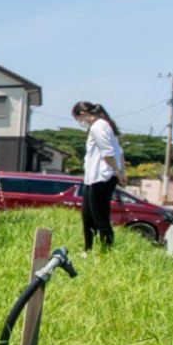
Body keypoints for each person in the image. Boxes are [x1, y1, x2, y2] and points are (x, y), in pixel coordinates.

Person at [72, 101, 127, 251]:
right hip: (93, 178)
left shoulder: (98, 127)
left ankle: (106, 250)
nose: (80, 123)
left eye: (78, 119)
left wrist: (118, 172)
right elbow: (120, 152)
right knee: (88, 216)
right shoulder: (103, 125)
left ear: (82, 114)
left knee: (100, 218)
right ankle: (88, 250)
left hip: (102, 178)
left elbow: (108, 153)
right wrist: (121, 172)